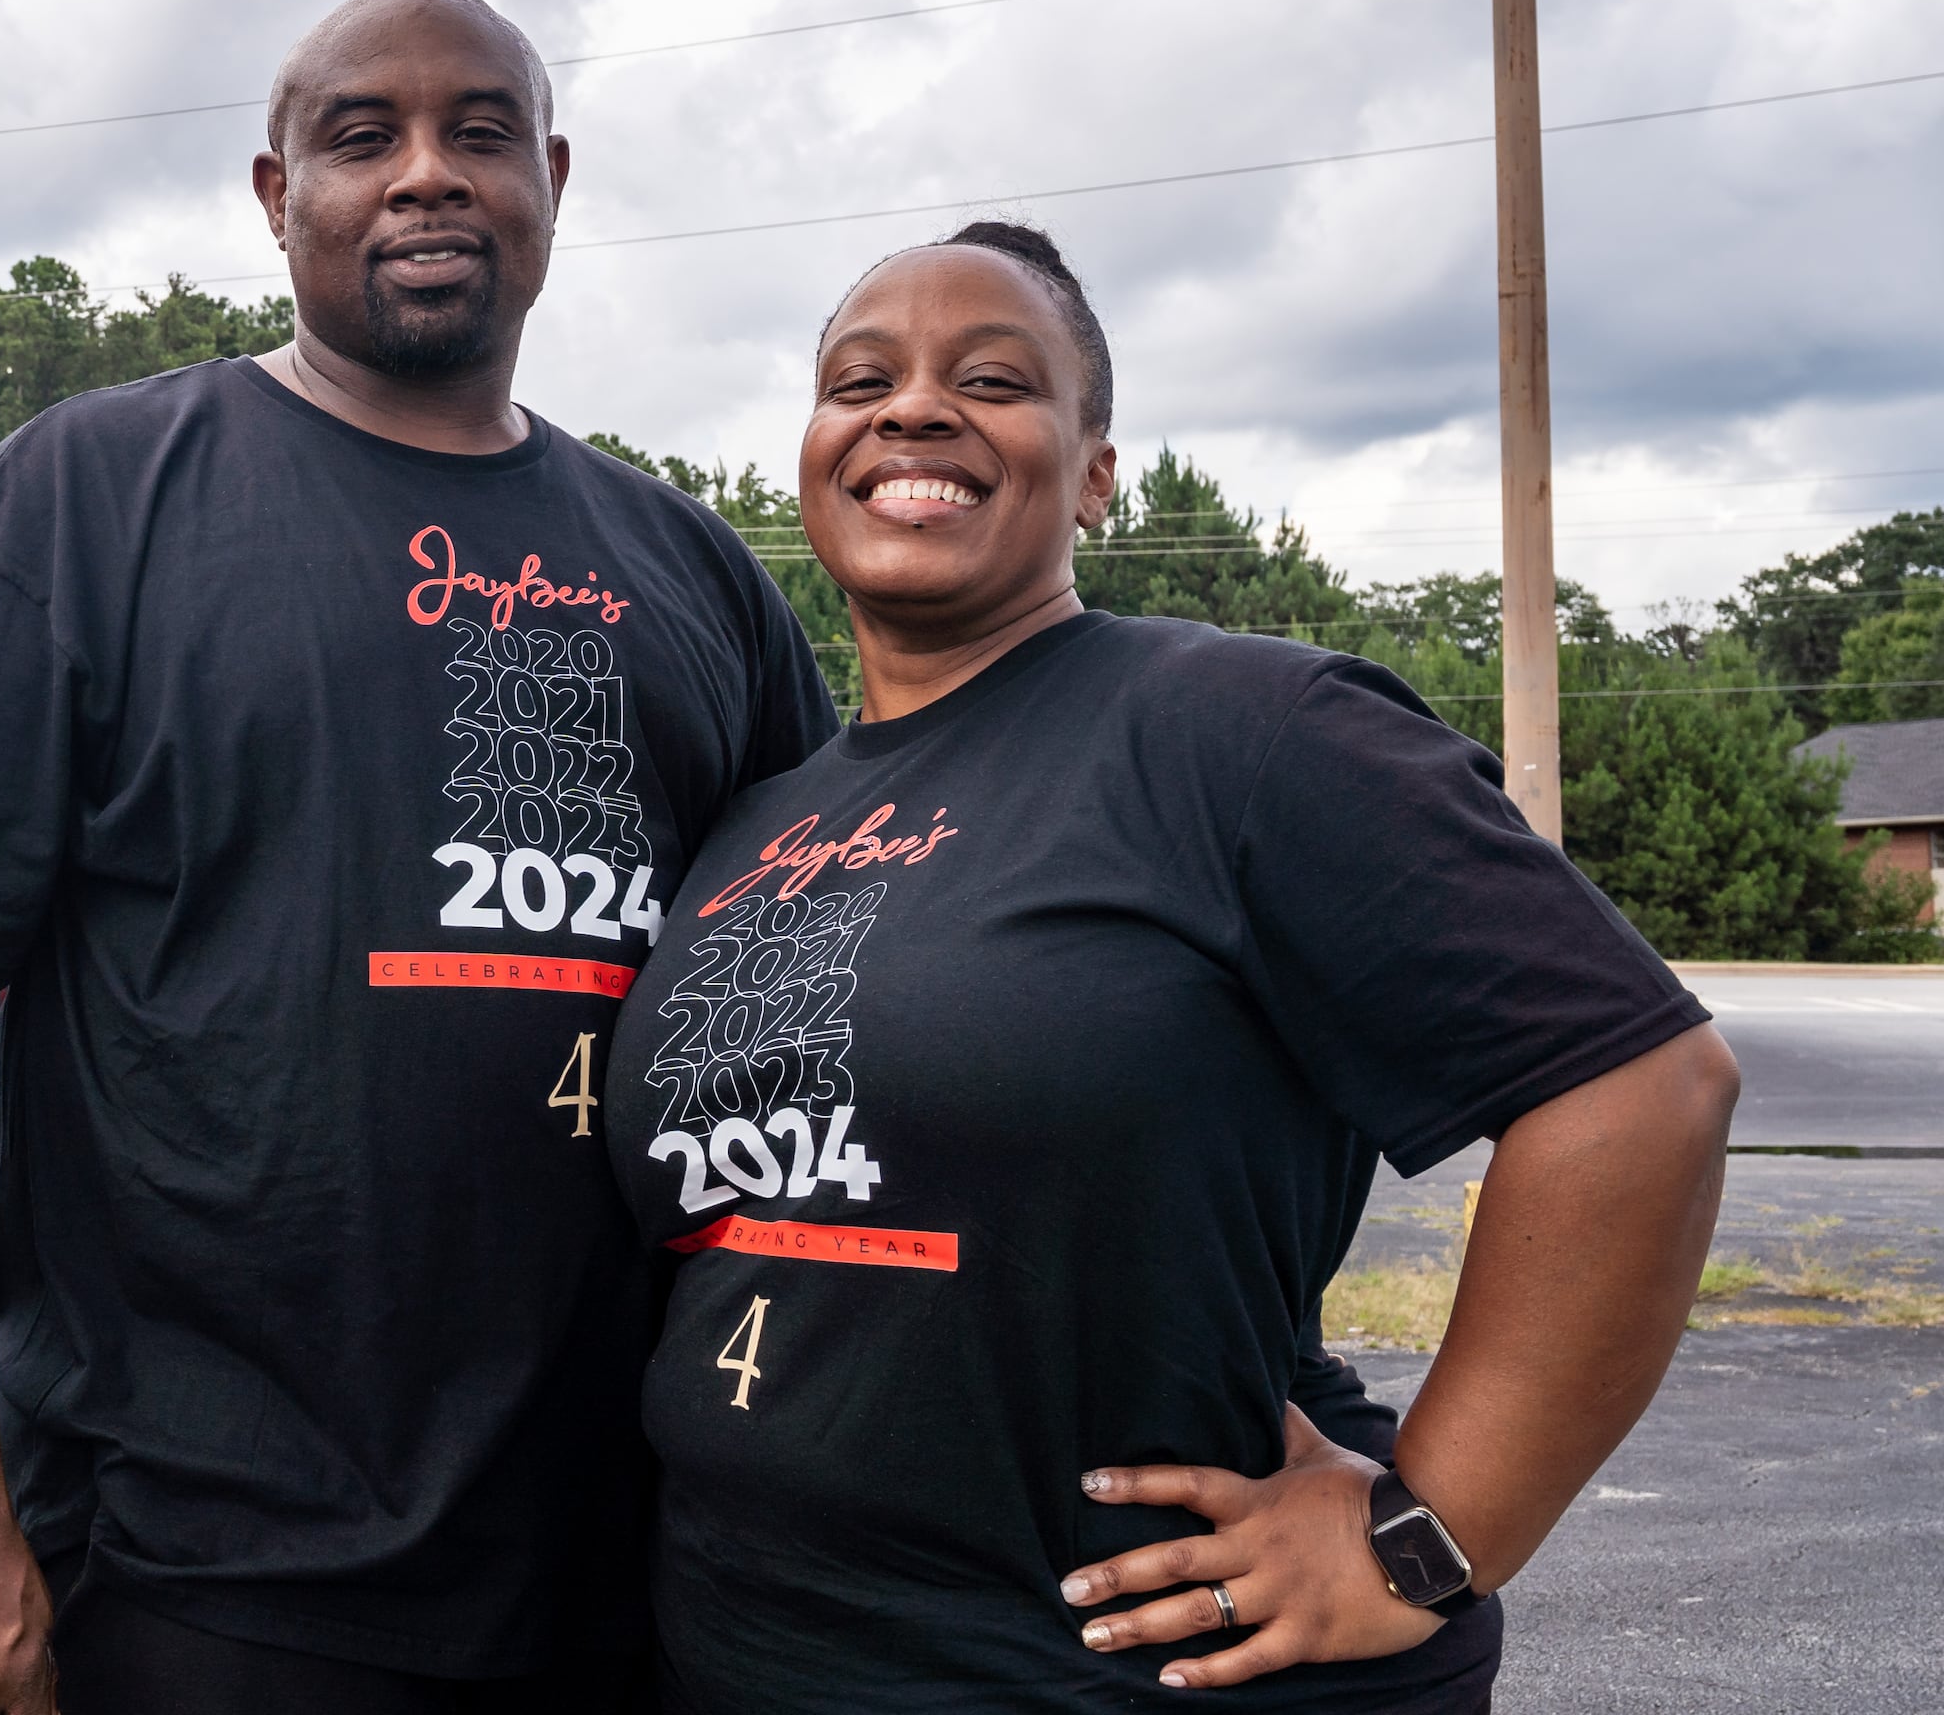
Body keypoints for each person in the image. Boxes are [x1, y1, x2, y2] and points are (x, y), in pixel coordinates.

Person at [0, 0, 842, 1713]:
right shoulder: (78, 506)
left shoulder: (696, 574)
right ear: (275, 194)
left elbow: (830, 1006)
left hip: (638, 1558)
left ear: (555, 183)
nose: (427, 174)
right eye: (362, 137)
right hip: (200, 1566)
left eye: (481, 132)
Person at [605, 222, 1739, 1708]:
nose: (913, 408)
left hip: (1109, 1670)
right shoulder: (768, 818)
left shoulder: (1243, 732)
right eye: (859, 378)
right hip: (754, 1651)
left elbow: (1642, 1092)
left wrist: (1431, 1532)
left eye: (995, 379)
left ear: (1093, 472)